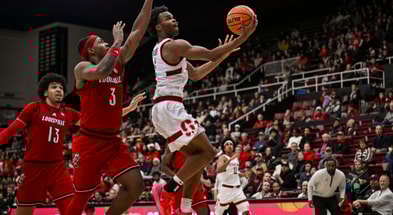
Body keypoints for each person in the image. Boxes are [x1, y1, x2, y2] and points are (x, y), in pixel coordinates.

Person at [147, 5, 257, 215]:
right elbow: (209, 53)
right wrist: (243, 36)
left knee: (198, 156)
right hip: (170, 107)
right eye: (169, 18)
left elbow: (196, 74)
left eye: (174, 16)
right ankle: (168, 189)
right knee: (209, 152)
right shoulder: (174, 45)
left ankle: (185, 207)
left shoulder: (163, 50)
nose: (175, 20)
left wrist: (223, 54)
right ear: (159, 27)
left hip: (163, 108)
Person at [65, 1, 153, 214]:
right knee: (82, 197)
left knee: (136, 185)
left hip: (112, 140)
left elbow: (138, 31)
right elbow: (102, 71)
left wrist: (148, 1)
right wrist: (117, 43)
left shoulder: (118, 59)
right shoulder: (82, 68)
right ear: (91, 50)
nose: (107, 43)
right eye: (101, 41)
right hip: (89, 142)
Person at [0, 73, 79, 215]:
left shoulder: (68, 113)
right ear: (45, 92)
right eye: (54, 87)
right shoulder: (34, 108)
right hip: (33, 168)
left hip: (57, 168)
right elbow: (11, 130)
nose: (59, 90)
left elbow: (94, 121)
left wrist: (127, 109)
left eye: (61, 88)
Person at [152, 147, 209, 215]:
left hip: (195, 184)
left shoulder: (196, 140)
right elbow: (163, 167)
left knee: (204, 212)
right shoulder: (173, 142)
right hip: (180, 186)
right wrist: (179, 178)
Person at [215, 139, 249, 215]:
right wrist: (230, 160)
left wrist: (243, 174)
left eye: (231, 144)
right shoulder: (222, 157)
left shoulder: (236, 158)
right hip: (226, 189)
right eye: (227, 144)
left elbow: (234, 172)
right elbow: (219, 170)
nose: (229, 146)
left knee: (245, 208)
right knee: (219, 213)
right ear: (224, 148)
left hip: (237, 189)